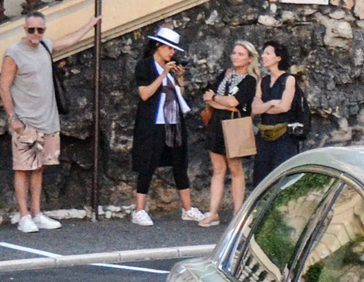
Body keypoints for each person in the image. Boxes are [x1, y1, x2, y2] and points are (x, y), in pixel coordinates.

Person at [130, 25, 201, 227]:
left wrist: (179, 78)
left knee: (180, 163)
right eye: (169, 48)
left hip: (173, 120)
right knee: (147, 164)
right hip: (152, 122)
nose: (172, 53)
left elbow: (181, 97)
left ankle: (188, 209)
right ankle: (139, 209)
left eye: (173, 50)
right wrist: (162, 75)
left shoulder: (172, 66)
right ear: (159, 46)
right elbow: (144, 94)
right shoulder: (145, 66)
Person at [0, 12, 62, 233]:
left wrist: (91, 25)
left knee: (40, 167)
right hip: (26, 120)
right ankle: (24, 215)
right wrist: (13, 118)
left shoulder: (45, 46)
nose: (35, 34)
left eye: (40, 30)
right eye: (31, 29)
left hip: (48, 119)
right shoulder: (14, 53)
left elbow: (68, 40)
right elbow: (4, 86)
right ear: (24, 29)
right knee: (23, 168)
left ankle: (37, 212)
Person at [201, 40, 258, 225]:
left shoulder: (250, 80)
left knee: (235, 169)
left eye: (241, 54)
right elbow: (207, 97)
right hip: (217, 121)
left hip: (235, 123)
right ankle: (212, 212)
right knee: (218, 168)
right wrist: (220, 101)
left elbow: (235, 102)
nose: (235, 56)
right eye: (234, 53)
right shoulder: (226, 74)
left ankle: (238, 212)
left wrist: (218, 99)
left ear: (250, 59)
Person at [250, 41, 304, 184]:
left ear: (278, 58)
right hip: (265, 135)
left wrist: (265, 107)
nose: (263, 56)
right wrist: (271, 103)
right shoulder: (263, 81)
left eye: (268, 53)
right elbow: (254, 109)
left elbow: (284, 107)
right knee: (261, 175)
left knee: (282, 176)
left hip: (284, 137)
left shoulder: (289, 79)